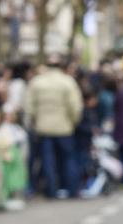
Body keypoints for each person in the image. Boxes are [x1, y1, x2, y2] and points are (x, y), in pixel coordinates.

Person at [23, 54, 82, 199]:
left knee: (48, 160)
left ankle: (51, 190)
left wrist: (34, 122)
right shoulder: (68, 82)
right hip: (64, 128)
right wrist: (73, 122)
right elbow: (75, 106)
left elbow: (29, 107)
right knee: (68, 159)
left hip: (43, 128)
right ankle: (72, 189)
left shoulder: (36, 82)